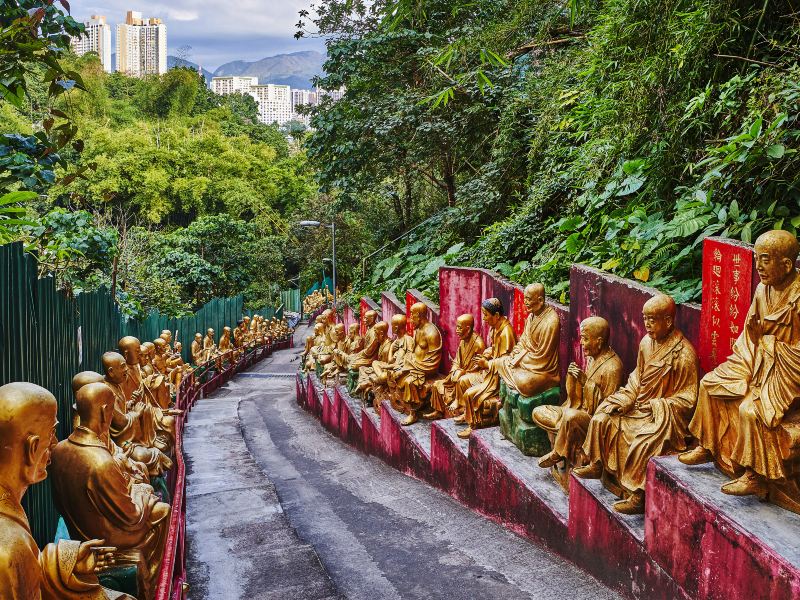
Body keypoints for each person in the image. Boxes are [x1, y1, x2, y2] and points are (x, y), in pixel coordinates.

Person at [575, 294, 699, 514]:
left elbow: (688, 399)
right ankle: (596, 463)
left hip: (663, 416)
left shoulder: (684, 353)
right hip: (638, 405)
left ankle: (638, 494)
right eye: (645, 319)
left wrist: (659, 405)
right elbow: (636, 379)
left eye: (653, 319)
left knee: (643, 441)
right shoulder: (645, 343)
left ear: (668, 321)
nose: (647, 325)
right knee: (604, 414)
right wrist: (625, 399)